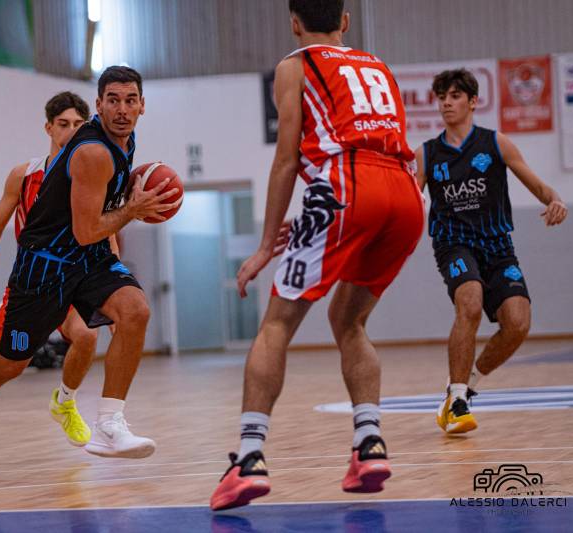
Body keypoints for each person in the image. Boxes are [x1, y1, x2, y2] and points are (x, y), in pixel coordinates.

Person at [210, 0, 425, 510]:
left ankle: (249, 456)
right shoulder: (377, 65)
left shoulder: (295, 65)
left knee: (277, 323)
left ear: (294, 22)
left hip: (349, 183)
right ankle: (369, 444)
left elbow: (287, 159)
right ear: (345, 22)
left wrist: (266, 244)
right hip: (405, 193)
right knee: (349, 321)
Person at [0, 65, 179, 470]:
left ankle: (109, 422)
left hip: (87, 261)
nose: (122, 110)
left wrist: (118, 264)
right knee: (7, 363)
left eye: (130, 100)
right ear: (100, 106)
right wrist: (134, 209)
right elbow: (88, 230)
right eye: (113, 101)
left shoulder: (125, 140)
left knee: (135, 310)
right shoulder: (92, 153)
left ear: (142, 106)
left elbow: (92, 236)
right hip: (45, 266)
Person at [0, 92, 114, 467]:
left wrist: (113, 281)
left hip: (76, 278)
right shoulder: (24, 175)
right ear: (48, 127)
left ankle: (65, 402)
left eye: (78, 125)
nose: (70, 131)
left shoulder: (95, 169)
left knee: (86, 335)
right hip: (32, 283)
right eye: (62, 124)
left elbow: (104, 232)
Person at [415, 69, 568, 434]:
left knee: (518, 323)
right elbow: (406, 201)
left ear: (472, 101)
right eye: (442, 97)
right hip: (453, 245)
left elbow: (536, 184)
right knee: (470, 299)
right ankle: (456, 400)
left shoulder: (496, 143)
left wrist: (555, 200)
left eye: (454, 96)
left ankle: (466, 386)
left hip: (498, 247)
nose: (447, 103)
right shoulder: (427, 153)